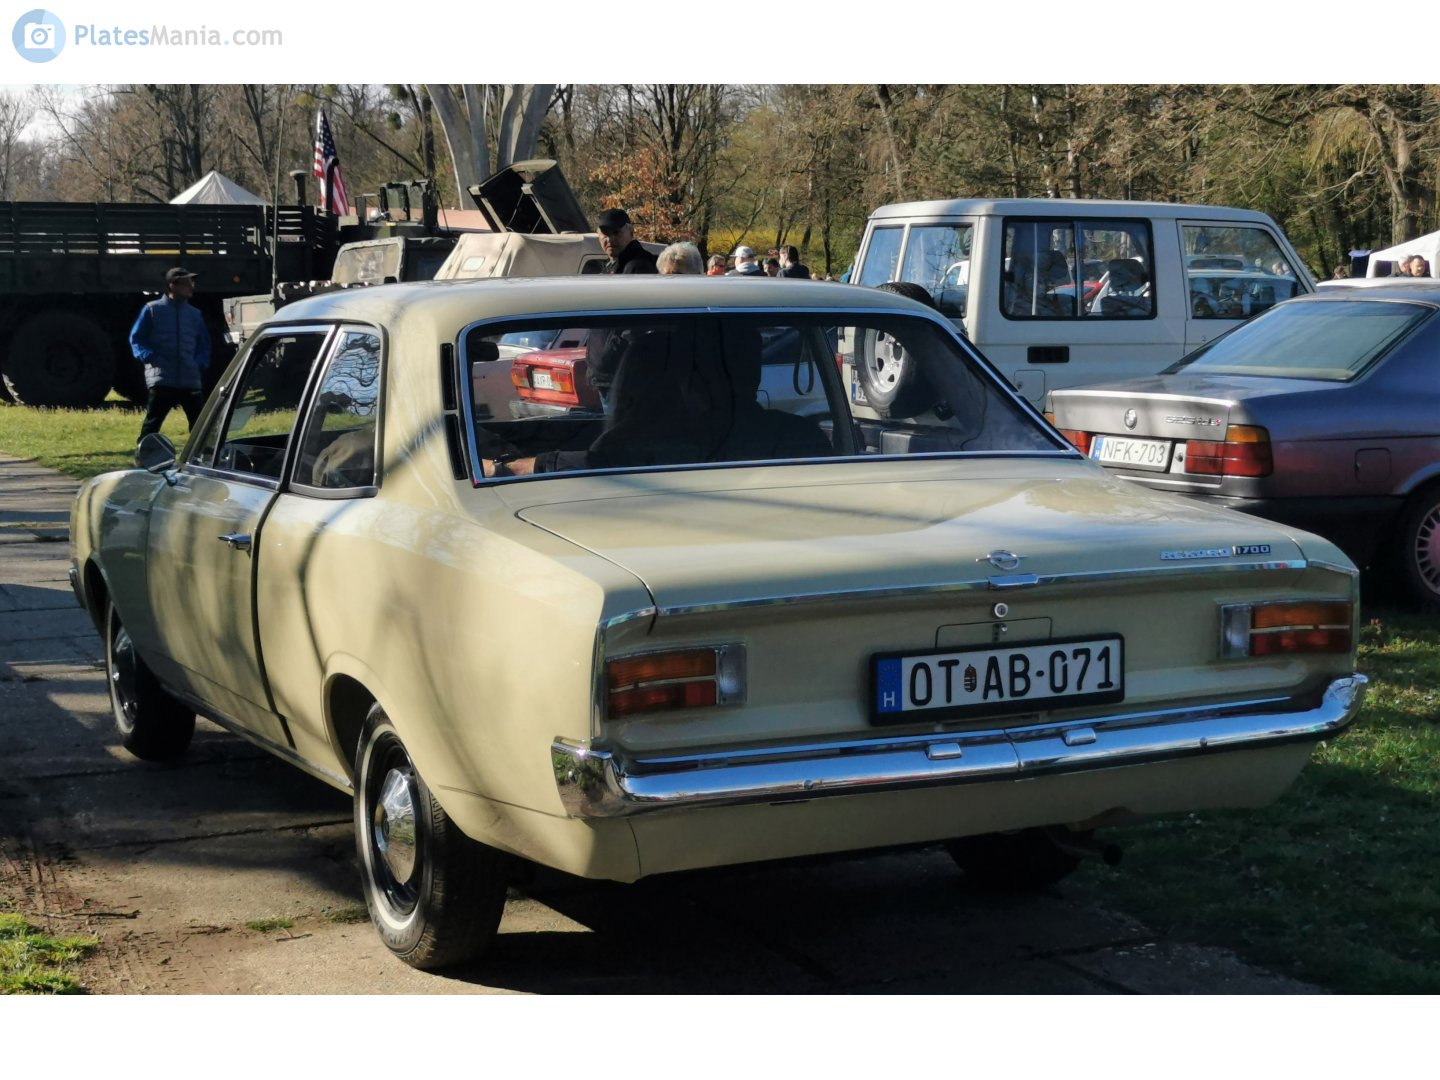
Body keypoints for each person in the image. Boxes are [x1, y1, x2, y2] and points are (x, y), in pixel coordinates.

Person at [130, 266, 211, 444]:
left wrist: (199, 363)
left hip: (190, 378)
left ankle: (201, 458)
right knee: (152, 423)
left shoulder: (195, 315)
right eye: (187, 283)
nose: (191, 286)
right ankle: (143, 456)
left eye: (192, 282)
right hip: (162, 378)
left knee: (199, 425)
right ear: (172, 285)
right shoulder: (152, 309)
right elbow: (136, 339)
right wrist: (149, 357)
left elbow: (204, 344)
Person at [596, 207, 658, 275]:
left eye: (616, 232)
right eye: (605, 233)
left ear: (631, 232)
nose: (610, 239)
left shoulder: (638, 266)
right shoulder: (611, 265)